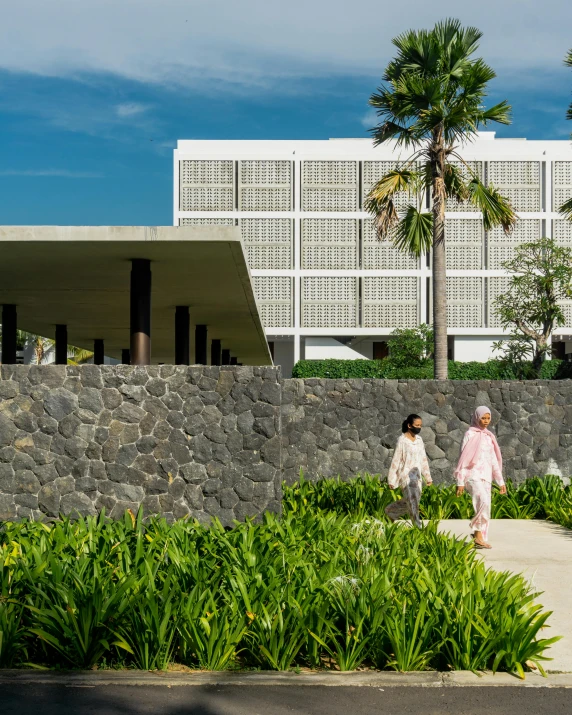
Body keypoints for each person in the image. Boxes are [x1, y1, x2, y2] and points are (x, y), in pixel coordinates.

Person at [455, 406, 506, 549]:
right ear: (477, 417)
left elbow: (494, 461)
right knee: (483, 500)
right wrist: (460, 481)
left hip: (486, 477)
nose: (486, 421)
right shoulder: (469, 434)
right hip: (472, 475)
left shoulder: (489, 437)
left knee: (486, 506)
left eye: (488, 418)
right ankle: (477, 534)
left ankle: (479, 536)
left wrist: (500, 481)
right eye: (483, 418)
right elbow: (463, 459)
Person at [385, 414, 432, 528]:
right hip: (405, 476)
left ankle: (390, 511)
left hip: (417, 476)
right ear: (409, 425)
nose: (419, 427)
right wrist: (391, 479)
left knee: (413, 500)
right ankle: (418, 527)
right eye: (417, 425)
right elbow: (396, 459)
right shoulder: (402, 440)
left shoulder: (419, 440)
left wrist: (428, 477)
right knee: (413, 501)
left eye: (420, 425)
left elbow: (423, 459)